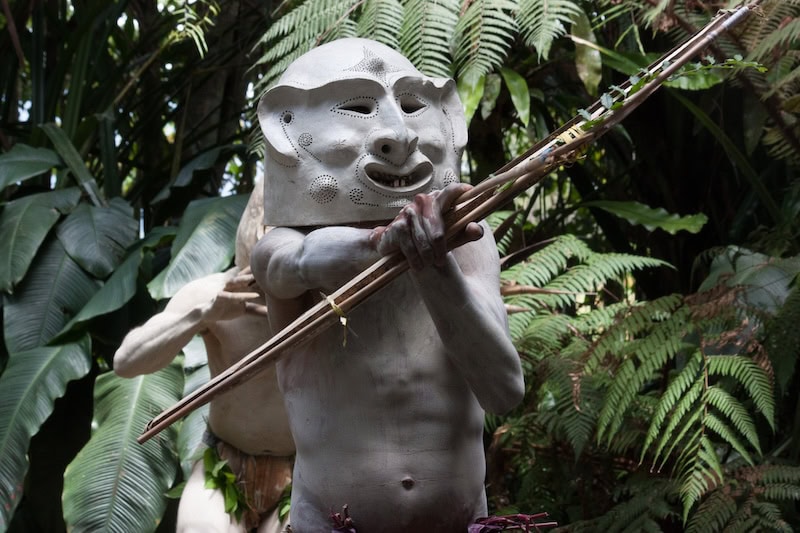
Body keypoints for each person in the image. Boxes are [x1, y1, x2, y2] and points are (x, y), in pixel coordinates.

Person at [250, 38, 524, 532]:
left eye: (413, 105)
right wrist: (384, 246)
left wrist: (435, 268)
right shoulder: (281, 245)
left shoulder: (469, 243)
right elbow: (300, 264)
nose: (398, 134)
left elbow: (504, 390)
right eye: (356, 108)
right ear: (285, 128)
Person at [114, 181, 294, 533]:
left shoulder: (323, 301)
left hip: (301, 469)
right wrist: (201, 314)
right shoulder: (210, 293)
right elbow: (126, 362)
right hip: (224, 463)